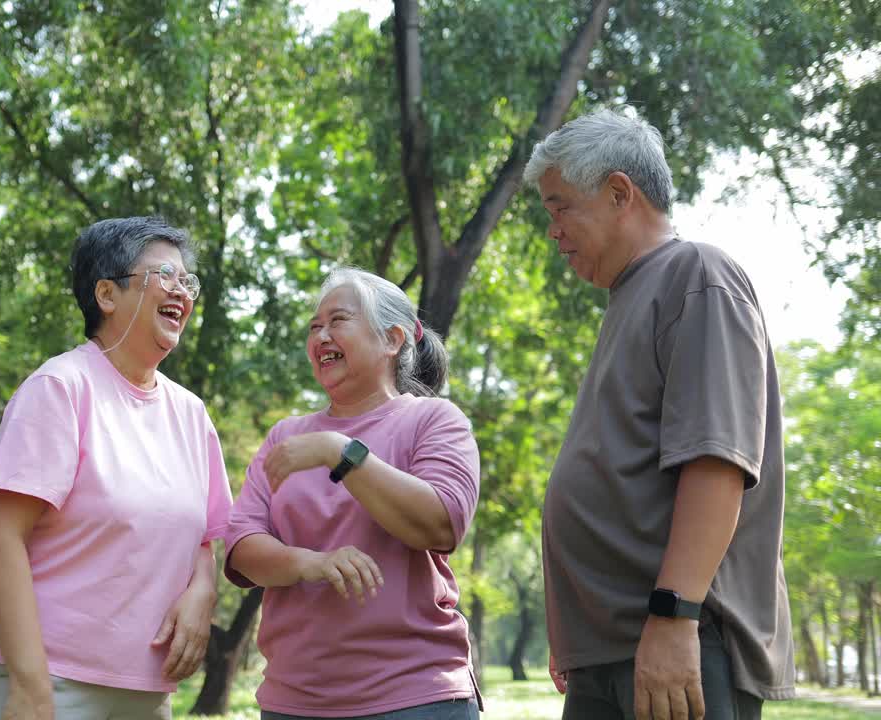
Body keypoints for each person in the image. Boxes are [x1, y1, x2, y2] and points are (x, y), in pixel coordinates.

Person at [524, 108, 795, 720]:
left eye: (560, 206)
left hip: (679, 640)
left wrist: (675, 616)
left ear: (620, 192)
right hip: (615, 647)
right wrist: (577, 629)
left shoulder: (696, 273)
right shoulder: (630, 297)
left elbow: (716, 461)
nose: (553, 230)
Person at [0, 216, 234, 720]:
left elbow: (202, 539)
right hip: (51, 679)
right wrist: (30, 683)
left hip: (145, 686)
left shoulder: (191, 415)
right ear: (106, 294)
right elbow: (0, 535)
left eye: (187, 281)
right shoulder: (61, 388)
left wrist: (202, 591)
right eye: (164, 277)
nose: (182, 291)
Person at [225, 268, 482, 720]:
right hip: (293, 701)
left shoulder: (434, 421)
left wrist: (340, 452)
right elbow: (241, 546)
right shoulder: (285, 436)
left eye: (338, 321)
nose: (321, 335)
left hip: (415, 698)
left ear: (393, 339)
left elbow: (441, 524)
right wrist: (310, 563)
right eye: (314, 327)